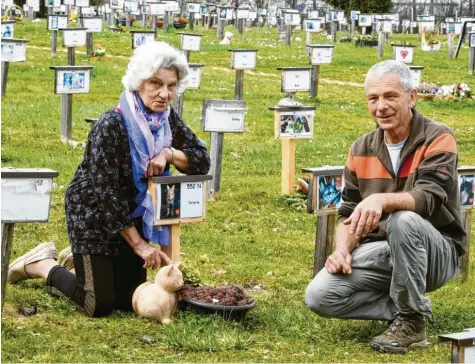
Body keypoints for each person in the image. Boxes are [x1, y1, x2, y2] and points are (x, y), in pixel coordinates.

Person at [7, 41, 210, 317]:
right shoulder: (111, 125)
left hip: (132, 214)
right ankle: (41, 264)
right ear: (139, 82)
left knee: (128, 300)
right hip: (94, 214)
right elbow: (106, 194)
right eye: (155, 83)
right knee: (98, 303)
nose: (164, 93)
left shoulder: (167, 120)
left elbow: (201, 159)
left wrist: (168, 153)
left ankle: (79, 264)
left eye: (171, 85)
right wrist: (139, 245)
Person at [305, 60, 466, 354]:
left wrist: (380, 199)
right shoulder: (360, 148)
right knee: (319, 296)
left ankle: (413, 321)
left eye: (390, 96)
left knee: (403, 220)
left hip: (436, 252)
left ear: (411, 97)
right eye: (373, 98)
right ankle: (403, 307)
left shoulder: (439, 137)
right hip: (384, 251)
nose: (381, 107)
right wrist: (341, 249)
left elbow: (428, 197)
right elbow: (347, 214)